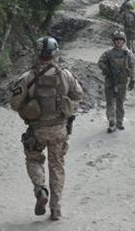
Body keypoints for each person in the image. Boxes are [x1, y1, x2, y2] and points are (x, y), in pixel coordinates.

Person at [10, 36, 83, 221]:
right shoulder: (65, 74)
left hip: (37, 130)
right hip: (59, 130)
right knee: (57, 167)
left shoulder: (27, 77)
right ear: (55, 52)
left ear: (38, 52)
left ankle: (40, 189)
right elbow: (78, 94)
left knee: (34, 159)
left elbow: (15, 103)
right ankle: (56, 208)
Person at [97, 30, 135, 133]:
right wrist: (107, 70)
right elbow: (100, 62)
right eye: (116, 40)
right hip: (110, 81)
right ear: (113, 41)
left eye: (120, 40)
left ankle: (119, 121)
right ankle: (111, 122)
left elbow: (132, 67)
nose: (118, 42)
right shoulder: (108, 53)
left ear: (124, 41)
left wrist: (133, 79)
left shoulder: (127, 53)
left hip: (122, 81)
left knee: (120, 103)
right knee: (110, 103)